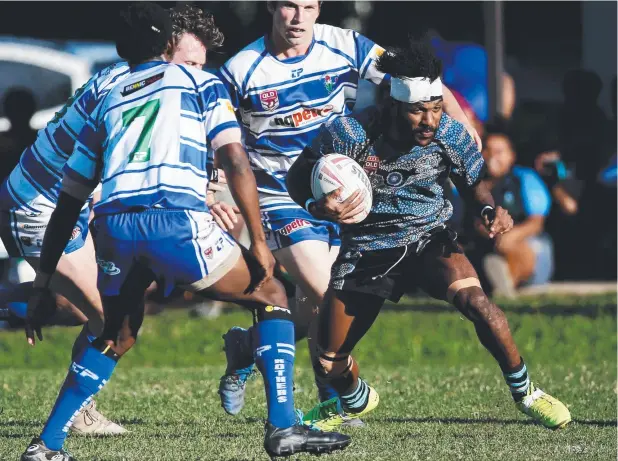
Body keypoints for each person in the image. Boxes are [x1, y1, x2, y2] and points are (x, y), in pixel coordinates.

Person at [20, 4, 350, 460]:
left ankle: (47, 446)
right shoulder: (200, 83)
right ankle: (282, 428)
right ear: (165, 46)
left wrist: (40, 284)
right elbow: (235, 160)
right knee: (272, 293)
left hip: (113, 229)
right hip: (174, 220)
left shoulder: (109, 98)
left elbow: (69, 202)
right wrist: (257, 240)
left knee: (117, 334)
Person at [285, 41, 571, 432]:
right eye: (418, 110)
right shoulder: (349, 133)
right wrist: (314, 206)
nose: (429, 120)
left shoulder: (449, 135)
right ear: (392, 105)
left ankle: (527, 394)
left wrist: (489, 210)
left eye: (436, 108)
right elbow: (296, 177)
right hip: (368, 248)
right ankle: (354, 400)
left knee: (479, 304)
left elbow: (476, 186)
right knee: (328, 359)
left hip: (428, 237)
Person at [215, 0, 482, 418]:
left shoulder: (347, 45)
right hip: (281, 195)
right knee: (328, 291)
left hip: (346, 194)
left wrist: (462, 123)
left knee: (313, 305)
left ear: (319, 8)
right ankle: (334, 397)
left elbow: (415, 76)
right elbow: (218, 138)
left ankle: (245, 346)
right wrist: (213, 190)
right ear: (271, 6)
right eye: (289, 6)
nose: (299, 17)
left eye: (308, 6)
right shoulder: (240, 69)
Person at [0, 3, 228, 437]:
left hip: (66, 205)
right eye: (189, 64)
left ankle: (9, 308)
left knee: (76, 308)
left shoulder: (156, 89)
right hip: (37, 206)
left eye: (201, 66)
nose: (196, 75)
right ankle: (77, 414)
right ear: (163, 50)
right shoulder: (123, 87)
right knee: (112, 317)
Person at [473, 128, 554, 296]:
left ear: (511, 155)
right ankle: (502, 281)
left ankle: (507, 279)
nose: (492, 156)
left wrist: (508, 237)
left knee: (517, 245)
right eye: (487, 150)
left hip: (523, 241)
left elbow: (536, 222)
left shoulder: (524, 178)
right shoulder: (474, 184)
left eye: (499, 151)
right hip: (490, 241)